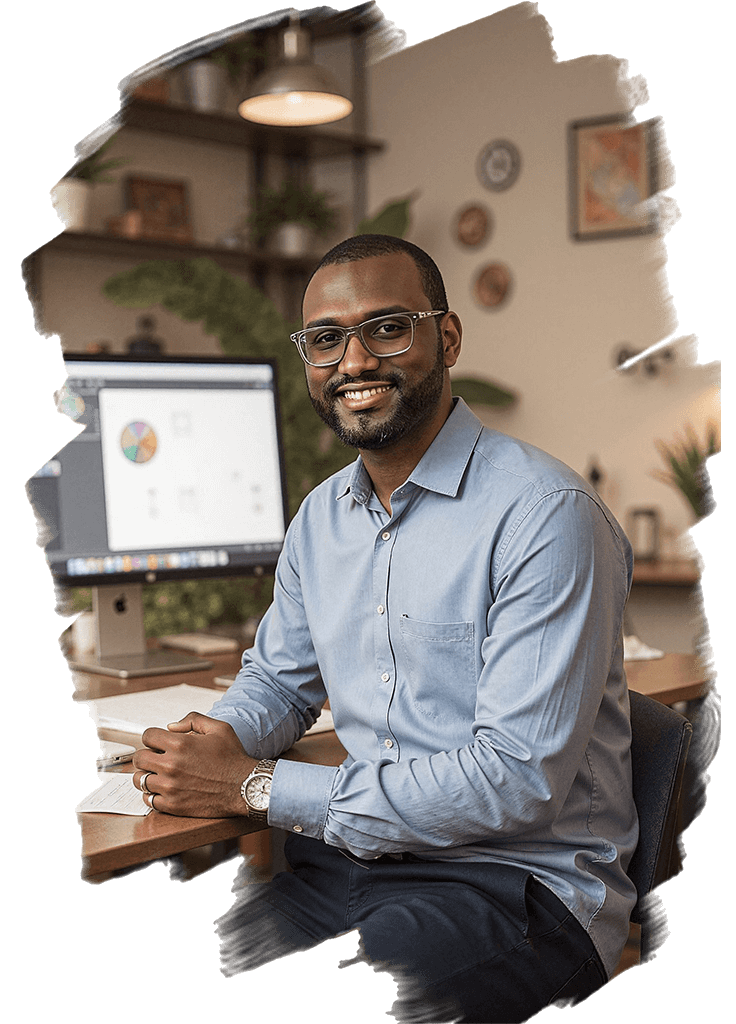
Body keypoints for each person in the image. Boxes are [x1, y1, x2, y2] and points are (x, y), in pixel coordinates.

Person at [132, 235, 638, 1023]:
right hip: (352, 867)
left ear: (449, 337)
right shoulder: (320, 519)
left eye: (388, 328)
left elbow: (515, 781)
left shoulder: (545, 515)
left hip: (515, 889)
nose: (355, 361)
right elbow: (280, 683)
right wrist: (211, 742)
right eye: (327, 338)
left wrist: (249, 784)